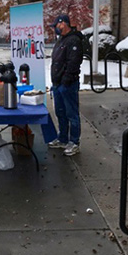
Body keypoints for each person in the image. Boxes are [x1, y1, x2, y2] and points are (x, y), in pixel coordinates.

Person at [46, 14, 83, 156]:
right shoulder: (62, 40)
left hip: (68, 84)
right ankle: (62, 138)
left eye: (56, 25)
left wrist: (66, 80)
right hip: (58, 83)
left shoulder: (73, 40)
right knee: (60, 112)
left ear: (63, 24)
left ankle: (74, 142)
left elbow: (73, 63)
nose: (55, 28)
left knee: (71, 113)